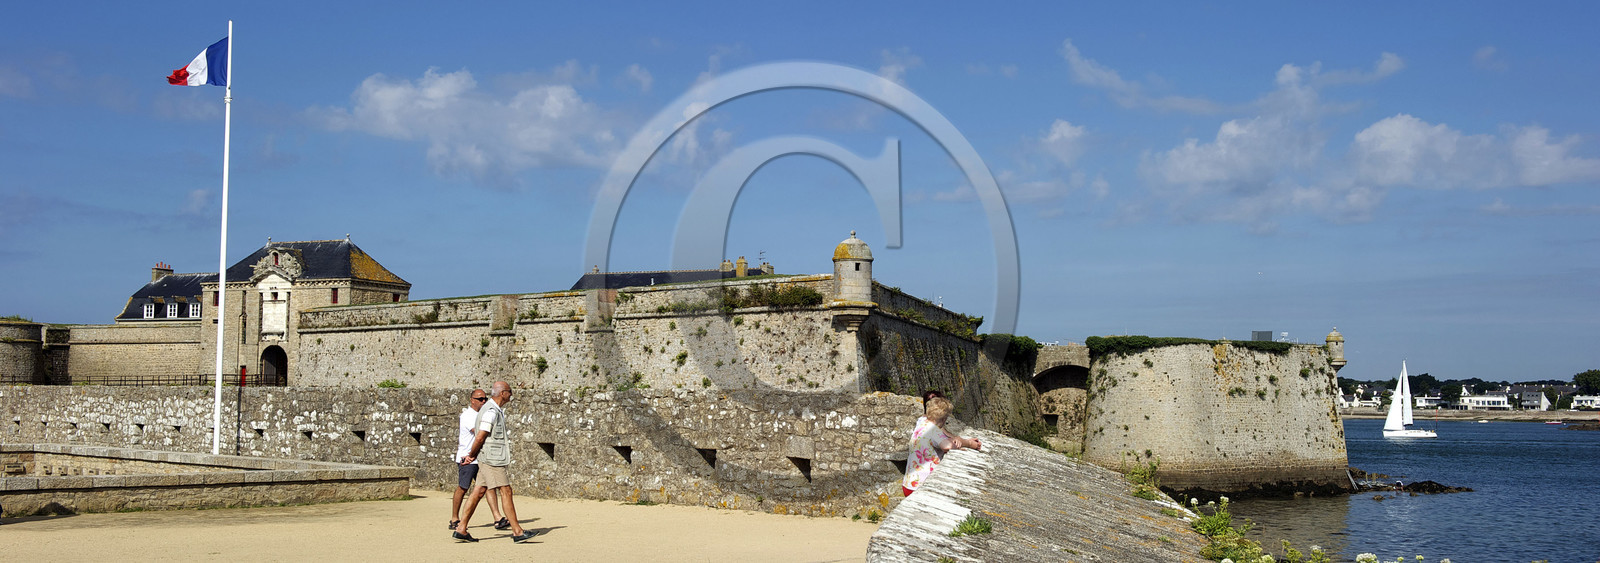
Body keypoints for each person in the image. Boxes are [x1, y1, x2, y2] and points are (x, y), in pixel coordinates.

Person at [453, 381, 542, 543]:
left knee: (479, 491)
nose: (511, 394)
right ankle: (517, 531)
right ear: (502, 393)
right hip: (492, 458)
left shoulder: (492, 410)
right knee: (506, 491)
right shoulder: (491, 411)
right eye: (509, 391)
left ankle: (461, 528)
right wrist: (471, 455)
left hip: (488, 456)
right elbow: (480, 436)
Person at [901, 396, 981, 496]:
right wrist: (967, 443)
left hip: (908, 484)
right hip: (920, 486)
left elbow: (942, 438)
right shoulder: (934, 430)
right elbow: (947, 446)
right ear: (943, 419)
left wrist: (959, 439)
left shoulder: (922, 422)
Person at [451, 389, 506, 532]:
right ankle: (454, 518)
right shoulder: (468, 416)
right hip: (467, 457)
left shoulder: (483, 414)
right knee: (463, 487)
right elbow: (479, 434)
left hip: (480, 457)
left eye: (485, 399)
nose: (483, 401)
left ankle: (497, 517)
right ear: (472, 400)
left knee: (487, 487)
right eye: (480, 399)